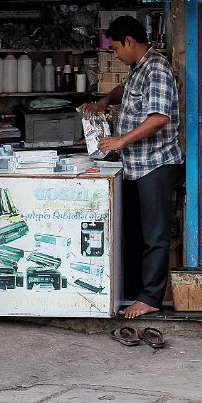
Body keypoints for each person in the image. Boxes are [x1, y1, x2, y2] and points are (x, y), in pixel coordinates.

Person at [82, 16, 181, 320]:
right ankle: (133, 293)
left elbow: (159, 118)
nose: (114, 54)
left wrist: (120, 141)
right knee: (134, 235)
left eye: (115, 48)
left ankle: (150, 298)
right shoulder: (139, 68)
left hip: (156, 164)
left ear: (129, 41)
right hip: (135, 166)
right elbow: (124, 91)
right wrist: (104, 102)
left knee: (155, 236)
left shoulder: (157, 69)